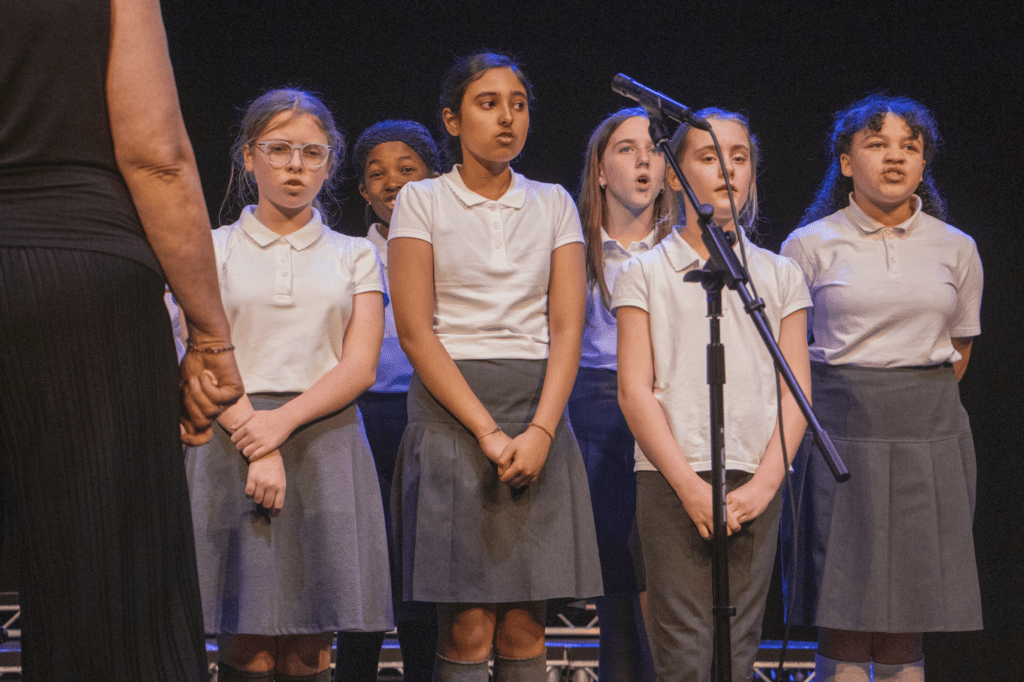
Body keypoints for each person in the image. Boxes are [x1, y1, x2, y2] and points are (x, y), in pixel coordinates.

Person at [0, 0, 244, 678]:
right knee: (111, 583)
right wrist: (209, 336)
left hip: (77, 271)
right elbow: (155, 157)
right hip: (81, 277)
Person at [387, 52, 603, 682]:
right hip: (454, 410)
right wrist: (486, 430)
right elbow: (415, 331)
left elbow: (567, 328)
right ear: (452, 120)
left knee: (525, 624)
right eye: (488, 103)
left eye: (519, 104)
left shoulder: (553, 202)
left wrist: (540, 431)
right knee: (467, 623)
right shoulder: (423, 199)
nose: (507, 117)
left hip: (537, 407)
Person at [184, 88, 392, 682]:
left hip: (324, 439)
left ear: (329, 163)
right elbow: (195, 352)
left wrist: (278, 426)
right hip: (229, 436)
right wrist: (255, 436)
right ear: (249, 157)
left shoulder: (354, 254)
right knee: (245, 638)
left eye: (311, 152)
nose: (295, 165)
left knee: (310, 641)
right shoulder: (211, 249)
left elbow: (360, 365)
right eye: (278, 150)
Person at [779, 94, 983, 682]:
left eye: (909, 147)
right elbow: (788, 351)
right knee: (843, 607)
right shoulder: (809, 245)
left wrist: (909, 402)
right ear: (846, 162)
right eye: (877, 144)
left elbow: (959, 347)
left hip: (930, 436)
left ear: (923, 163)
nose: (895, 158)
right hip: (838, 434)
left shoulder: (956, 247)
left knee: (910, 613)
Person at [615, 109, 811, 682]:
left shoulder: (779, 274)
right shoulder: (645, 273)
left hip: (756, 475)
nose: (727, 169)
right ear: (675, 176)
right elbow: (634, 389)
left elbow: (796, 390)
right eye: (708, 157)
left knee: (737, 650)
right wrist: (689, 486)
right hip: (671, 476)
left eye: (739, 157)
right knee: (683, 652)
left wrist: (765, 485)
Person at [336, 120, 442, 682]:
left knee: (424, 572)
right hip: (363, 417)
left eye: (407, 170)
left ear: (434, 178)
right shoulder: (350, 256)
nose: (392, 182)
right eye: (376, 174)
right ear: (362, 190)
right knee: (365, 569)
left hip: (429, 415)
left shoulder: (451, 253)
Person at [570, 107, 670, 682]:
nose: (643, 160)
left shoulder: (685, 252)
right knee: (615, 584)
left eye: (654, 149)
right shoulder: (574, 250)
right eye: (627, 148)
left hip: (667, 413)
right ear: (601, 170)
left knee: (663, 580)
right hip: (594, 416)